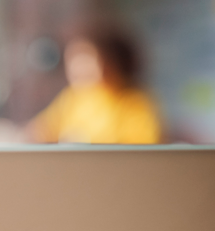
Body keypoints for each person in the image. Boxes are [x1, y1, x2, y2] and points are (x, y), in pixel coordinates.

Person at [30, 26, 163, 145]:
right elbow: (41, 129)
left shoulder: (135, 101)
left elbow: (141, 147)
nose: (75, 69)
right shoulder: (74, 98)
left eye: (85, 60)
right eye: (71, 61)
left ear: (112, 62)